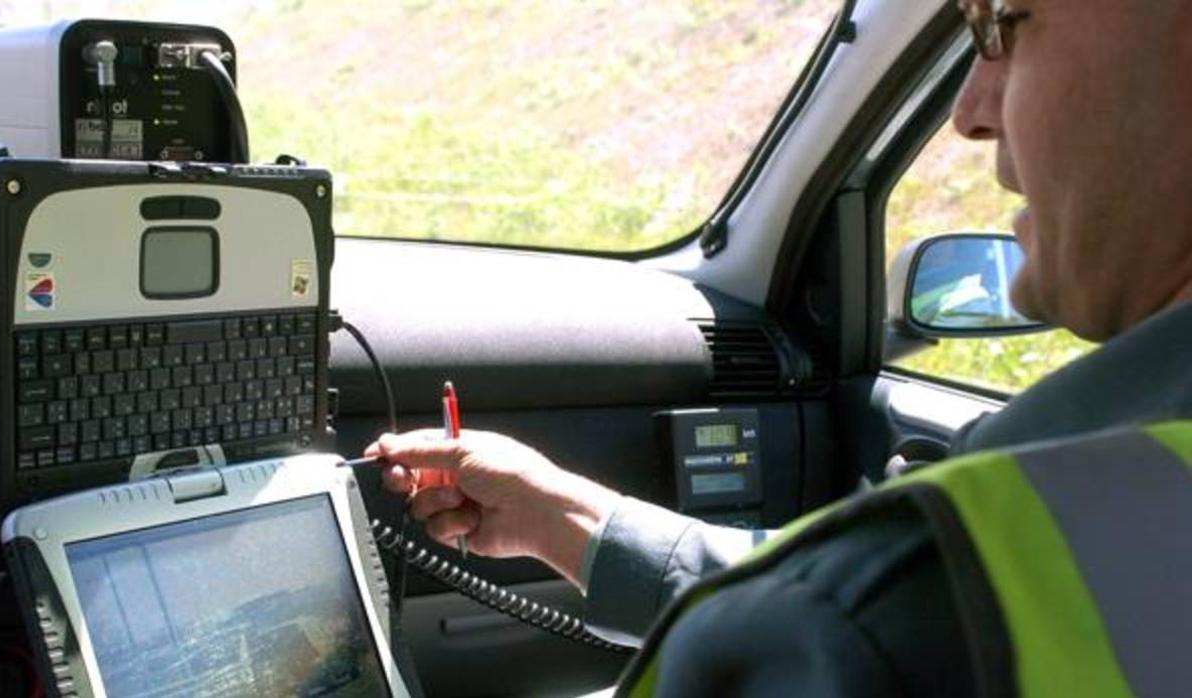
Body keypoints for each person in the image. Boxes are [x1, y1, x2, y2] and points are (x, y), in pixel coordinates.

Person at [365, 1, 1192, 694]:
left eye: (999, 22)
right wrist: (569, 520)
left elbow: (843, 605)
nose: (969, 111)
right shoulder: (978, 568)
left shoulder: (905, 614)